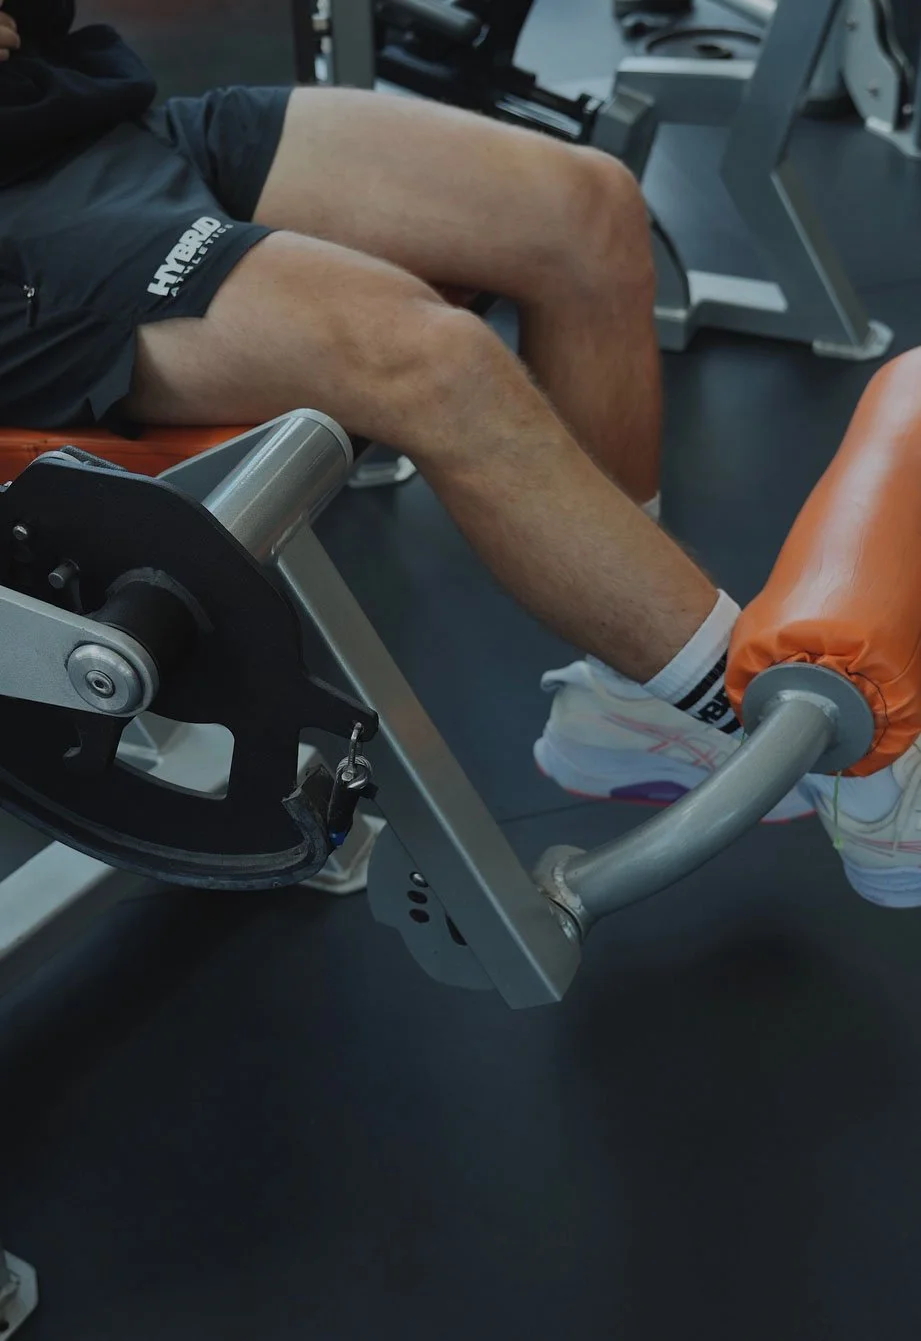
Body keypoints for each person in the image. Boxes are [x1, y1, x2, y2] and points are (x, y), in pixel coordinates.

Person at [1, 0, 918, 907]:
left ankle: (630, 703)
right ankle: (845, 765)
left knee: (584, 208)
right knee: (430, 361)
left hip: (89, 117)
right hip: (22, 242)